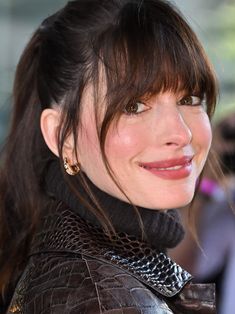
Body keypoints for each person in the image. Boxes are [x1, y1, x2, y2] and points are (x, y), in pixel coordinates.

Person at [0, 0, 218, 313]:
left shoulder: (97, 264)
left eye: (189, 98)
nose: (181, 133)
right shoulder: (99, 298)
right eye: (134, 106)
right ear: (63, 136)